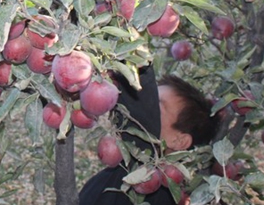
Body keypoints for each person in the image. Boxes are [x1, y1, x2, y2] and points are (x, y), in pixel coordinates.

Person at [79, 67, 219, 205]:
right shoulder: (116, 173)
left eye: (158, 104)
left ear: (179, 141)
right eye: (151, 98)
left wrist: (136, 63)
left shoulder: (155, 189)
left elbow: (143, 115)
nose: (149, 103)